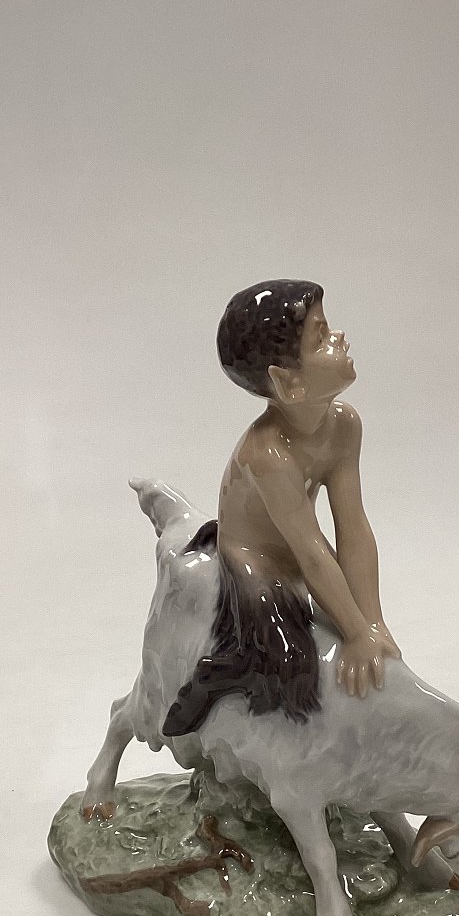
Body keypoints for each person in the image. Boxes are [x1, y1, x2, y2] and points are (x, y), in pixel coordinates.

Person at [162, 279, 400, 737]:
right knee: (286, 662)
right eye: (321, 337)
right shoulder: (269, 455)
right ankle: (213, 682)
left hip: (294, 542)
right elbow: (311, 553)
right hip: (254, 556)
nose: (339, 337)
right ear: (288, 383)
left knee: (341, 614)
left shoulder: (344, 424)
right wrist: (354, 634)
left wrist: (371, 623)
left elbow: (353, 527)